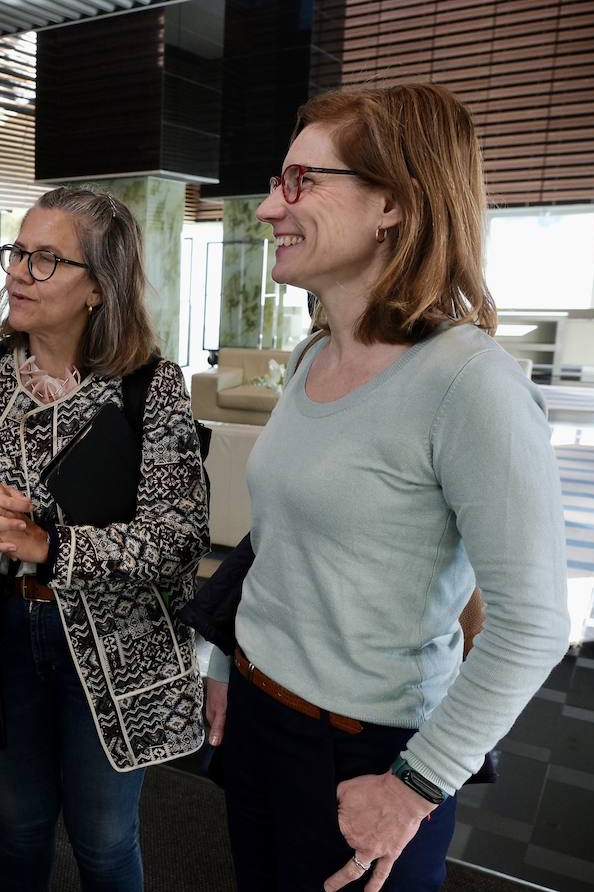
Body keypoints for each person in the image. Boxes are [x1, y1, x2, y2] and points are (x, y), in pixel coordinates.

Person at [203, 82, 569, 892]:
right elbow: (277, 541)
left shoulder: (470, 385)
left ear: (393, 206)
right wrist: (224, 660)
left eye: (301, 182)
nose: (269, 209)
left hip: (366, 752)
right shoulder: (312, 356)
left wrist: (414, 788)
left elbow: (535, 624)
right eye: (276, 181)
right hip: (260, 715)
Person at [0, 187, 210, 891]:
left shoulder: (150, 387)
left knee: (105, 842)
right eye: (19, 252)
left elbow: (178, 537)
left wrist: (50, 546)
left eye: (47, 259)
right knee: (17, 828)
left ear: (97, 287)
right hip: (1, 636)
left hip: (112, 650)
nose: (17, 271)